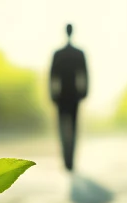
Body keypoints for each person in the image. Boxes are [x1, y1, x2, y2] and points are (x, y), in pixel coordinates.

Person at [50, 24, 88, 171]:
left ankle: (67, 159)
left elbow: (52, 76)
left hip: (62, 96)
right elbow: (84, 74)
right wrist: (84, 92)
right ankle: (69, 160)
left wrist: (52, 94)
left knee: (63, 128)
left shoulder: (58, 54)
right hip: (73, 95)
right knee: (73, 127)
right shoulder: (78, 53)